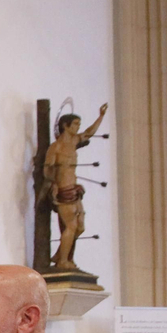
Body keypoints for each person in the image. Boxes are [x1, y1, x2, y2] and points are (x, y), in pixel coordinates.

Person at [41, 105, 107, 272]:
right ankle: (63, 261)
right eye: (76, 124)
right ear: (66, 126)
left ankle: (59, 255)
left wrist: (101, 116)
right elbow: (47, 169)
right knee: (71, 226)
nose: (78, 127)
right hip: (64, 190)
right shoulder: (56, 147)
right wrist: (53, 184)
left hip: (74, 188)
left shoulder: (74, 142)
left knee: (80, 227)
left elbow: (89, 132)